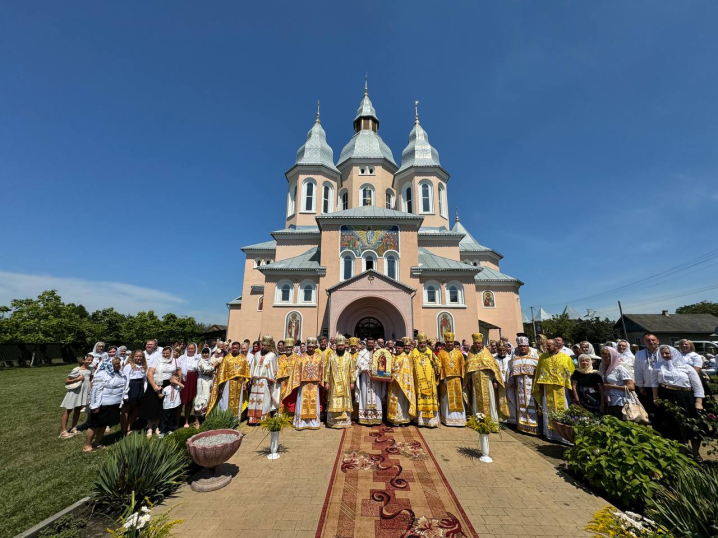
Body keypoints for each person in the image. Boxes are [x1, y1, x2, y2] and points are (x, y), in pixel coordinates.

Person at [652, 345, 705, 458]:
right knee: (673, 425)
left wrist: (698, 402)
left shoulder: (686, 367)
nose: (665, 355)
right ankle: (681, 451)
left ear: (674, 353)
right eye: (663, 354)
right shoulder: (658, 366)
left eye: (667, 353)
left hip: (685, 397)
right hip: (666, 397)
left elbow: (697, 386)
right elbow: (654, 384)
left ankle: (696, 453)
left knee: (692, 425)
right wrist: (655, 398)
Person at [533, 339, 575, 443]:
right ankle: (550, 434)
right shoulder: (543, 357)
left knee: (563, 409)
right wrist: (540, 387)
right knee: (548, 410)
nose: (547, 347)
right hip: (547, 389)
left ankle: (563, 435)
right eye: (547, 345)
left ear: (556, 346)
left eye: (550, 345)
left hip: (561, 389)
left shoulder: (565, 357)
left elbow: (571, 373)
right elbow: (539, 372)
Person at [464, 333, 509, 423]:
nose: (478, 345)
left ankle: (491, 421)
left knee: (490, 400)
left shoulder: (487, 354)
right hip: (475, 382)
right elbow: (467, 370)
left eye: (479, 343)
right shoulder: (471, 354)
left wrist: (495, 380)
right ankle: (478, 421)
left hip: (488, 382)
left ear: (482, 343)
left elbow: (494, 369)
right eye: (476, 343)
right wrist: (468, 382)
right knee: (476, 400)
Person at [83, 357, 125, 452]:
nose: (118, 366)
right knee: (95, 425)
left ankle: (97, 442)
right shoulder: (101, 375)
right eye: (116, 364)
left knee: (104, 424)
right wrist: (95, 405)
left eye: (119, 364)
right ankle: (87, 445)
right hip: (102, 405)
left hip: (113, 404)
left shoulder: (119, 374)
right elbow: (96, 391)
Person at [139, 346, 179, 438]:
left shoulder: (174, 361)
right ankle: (149, 428)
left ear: (171, 353)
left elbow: (177, 373)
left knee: (161, 406)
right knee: (152, 406)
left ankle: (156, 427)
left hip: (167, 385)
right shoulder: (156, 360)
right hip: (155, 384)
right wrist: (154, 387)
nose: (165, 355)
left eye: (167, 353)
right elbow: (150, 374)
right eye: (163, 353)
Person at [207, 341, 250, 417]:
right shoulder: (226, 359)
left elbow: (246, 373)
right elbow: (221, 374)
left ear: (239, 348)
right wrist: (220, 386)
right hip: (227, 383)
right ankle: (225, 419)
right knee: (225, 402)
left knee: (238, 402)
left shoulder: (243, 359)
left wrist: (245, 383)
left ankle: (236, 419)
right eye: (233, 348)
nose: (234, 349)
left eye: (236, 348)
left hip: (239, 384)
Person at [507, 337, 539, 435]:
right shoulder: (515, 359)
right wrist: (512, 384)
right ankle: (522, 426)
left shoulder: (535, 359)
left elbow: (538, 374)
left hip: (532, 386)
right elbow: (510, 373)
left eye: (524, 346)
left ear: (528, 346)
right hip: (519, 387)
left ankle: (534, 427)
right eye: (520, 346)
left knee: (533, 404)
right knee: (520, 405)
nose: (522, 348)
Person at [291, 337, 323, 430]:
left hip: (314, 384)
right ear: (307, 347)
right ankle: (301, 423)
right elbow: (296, 370)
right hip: (303, 385)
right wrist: (298, 380)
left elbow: (322, 370)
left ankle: (313, 422)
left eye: (312, 347)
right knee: (302, 403)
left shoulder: (319, 357)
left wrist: (321, 382)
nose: (311, 349)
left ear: (315, 347)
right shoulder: (301, 357)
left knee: (314, 402)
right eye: (309, 347)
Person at [247, 335, 280, 425]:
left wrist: (272, 379)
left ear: (269, 346)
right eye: (263, 345)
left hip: (265, 381)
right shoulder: (257, 354)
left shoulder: (272, 356)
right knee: (254, 399)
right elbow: (252, 367)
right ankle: (253, 418)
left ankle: (263, 418)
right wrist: (250, 378)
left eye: (266, 345)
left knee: (264, 399)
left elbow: (275, 369)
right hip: (255, 381)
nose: (264, 347)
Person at [324, 335, 355, 429]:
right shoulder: (331, 356)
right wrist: (326, 382)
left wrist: (352, 382)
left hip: (346, 382)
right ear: (336, 346)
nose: (340, 347)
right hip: (333, 383)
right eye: (339, 346)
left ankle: (345, 421)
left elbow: (352, 370)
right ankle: (332, 422)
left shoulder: (349, 356)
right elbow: (327, 370)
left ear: (344, 346)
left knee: (345, 401)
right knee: (334, 400)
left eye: (342, 345)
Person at [436, 332, 466, 427]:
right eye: (448, 342)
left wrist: (464, 379)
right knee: (446, 399)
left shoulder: (459, 353)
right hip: (445, 379)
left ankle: (459, 419)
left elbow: (463, 366)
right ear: (445, 342)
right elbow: (438, 366)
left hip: (457, 379)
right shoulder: (441, 353)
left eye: (451, 342)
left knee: (458, 398)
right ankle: (447, 419)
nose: (450, 344)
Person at [59, 354, 93, 438]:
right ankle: (63, 431)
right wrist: (77, 379)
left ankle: (74, 427)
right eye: (88, 360)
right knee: (68, 410)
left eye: (91, 360)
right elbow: (67, 381)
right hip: (75, 392)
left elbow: (91, 379)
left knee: (78, 409)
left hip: (84, 392)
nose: (90, 361)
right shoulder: (77, 369)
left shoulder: (91, 369)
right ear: (83, 360)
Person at [355, 337, 386, 425]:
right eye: (369, 343)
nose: (370, 344)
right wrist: (365, 369)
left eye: (372, 343)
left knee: (377, 396)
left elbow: (383, 364)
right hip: (365, 378)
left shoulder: (379, 353)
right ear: (366, 343)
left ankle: (377, 417)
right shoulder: (361, 353)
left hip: (376, 379)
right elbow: (358, 365)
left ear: (374, 343)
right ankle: (365, 417)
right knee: (365, 395)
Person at [411, 333, 440, 427]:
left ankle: (431, 421)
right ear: (418, 343)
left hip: (430, 382)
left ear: (426, 343)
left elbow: (438, 365)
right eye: (421, 343)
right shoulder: (414, 352)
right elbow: (410, 366)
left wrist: (435, 362)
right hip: (419, 382)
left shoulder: (430, 352)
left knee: (430, 399)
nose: (422, 345)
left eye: (424, 343)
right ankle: (421, 421)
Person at [386, 339, 416, 426]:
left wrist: (395, 377)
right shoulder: (394, 356)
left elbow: (405, 371)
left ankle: (403, 419)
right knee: (393, 400)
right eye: (397, 348)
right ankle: (394, 419)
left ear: (403, 348)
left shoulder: (405, 358)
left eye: (399, 348)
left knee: (402, 402)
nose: (398, 350)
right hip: (393, 383)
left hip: (402, 385)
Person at [600, 347, 635, 419]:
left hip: (622, 402)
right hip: (611, 401)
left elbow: (631, 387)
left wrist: (612, 386)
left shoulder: (620, 369)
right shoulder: (605, 369)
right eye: (603, 357)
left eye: (607, 357)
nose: (605, 359)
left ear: (613, 357)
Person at [121, 350, 147, 435]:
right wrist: (125, 393)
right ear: (133, 357)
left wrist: (144, 389)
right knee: (127, 408)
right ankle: (123, 428)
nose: (139, 358)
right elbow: (126, 380)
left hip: (140, 387)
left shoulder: (144, 366)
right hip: (132, 386)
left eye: (140, 356)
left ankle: (129, 426)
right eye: (137, 356)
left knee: (137, 408)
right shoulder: (129, 366)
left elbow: (145, 379)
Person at [634, 333, 660, 415]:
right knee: (654, 408)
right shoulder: (639, 354)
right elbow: (638, 371)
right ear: (644, 342)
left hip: (664, 384)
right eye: (648, 340)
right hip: (649, 385)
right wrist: (640, 385)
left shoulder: (664, 352)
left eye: (653, 340)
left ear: (658, 341)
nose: (651, 342)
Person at [178, 343, 200, 428]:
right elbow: (178, 370)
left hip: (193, 378)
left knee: (190, 400)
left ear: (195, 349)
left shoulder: (198, 358)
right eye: (189, 348)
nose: (190, 350)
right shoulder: (182, 358)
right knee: (180, 400)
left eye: (192, 349)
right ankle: (177, 419)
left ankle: (186, 420)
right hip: (183, 379)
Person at [277, 338, 299, 414]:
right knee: (282, 397)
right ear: (285, 348)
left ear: (292, 348)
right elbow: (279, 369)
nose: (288, 349)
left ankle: (291, 414)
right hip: (283, 382)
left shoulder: (297, 358)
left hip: (293, 382)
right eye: (287, 347)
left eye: (290, 347)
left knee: (292, 397)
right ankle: (282, 414)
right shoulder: (281, 358)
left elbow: (298, 370)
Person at [194, 347, 216, 422]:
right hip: (202, 381)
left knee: (207, 398)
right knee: (200, 398)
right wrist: (214, 366)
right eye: (203, 353)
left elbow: (212, 372)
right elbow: (205, 370)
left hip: (209, 381)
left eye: (206, 353)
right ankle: (196, 420)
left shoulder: (209, 361)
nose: (205, 354)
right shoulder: (200, 361)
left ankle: (205, 418)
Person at [495, 343, 515, 424]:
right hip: (499, 383)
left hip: (509, 384)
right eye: (500, 350)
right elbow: (493, 372)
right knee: (500, 400)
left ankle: (511, 419)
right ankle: (501, 418)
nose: (502, 352)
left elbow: (513, 371)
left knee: (510, 399)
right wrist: (494, 381)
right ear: (497, 350)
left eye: (503, 350)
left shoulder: (510, 359)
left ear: (506, 350)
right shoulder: (494, 360)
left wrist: (512, 382)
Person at [159, 373, 184, 437]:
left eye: (177, 380)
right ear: (170, 380)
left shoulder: (178, 387)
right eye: (174, 379)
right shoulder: (166, 388)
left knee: (172, 418)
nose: (175, 381)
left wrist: (177, 382)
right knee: (165, 419)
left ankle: (170, 430)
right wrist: (158, 391)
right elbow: (161, 395)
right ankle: (162, 432)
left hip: (174, 405)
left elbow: (183, 386)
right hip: (167, 406)